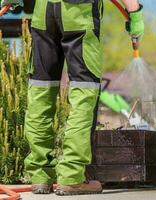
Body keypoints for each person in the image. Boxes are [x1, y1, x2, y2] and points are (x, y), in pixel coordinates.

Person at [0, 0, 144, 196]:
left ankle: (40, 175)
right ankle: (72, 177)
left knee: (41, 91)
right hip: (79, 13)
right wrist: (135, 14)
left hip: (44, 12)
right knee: (84, 92)